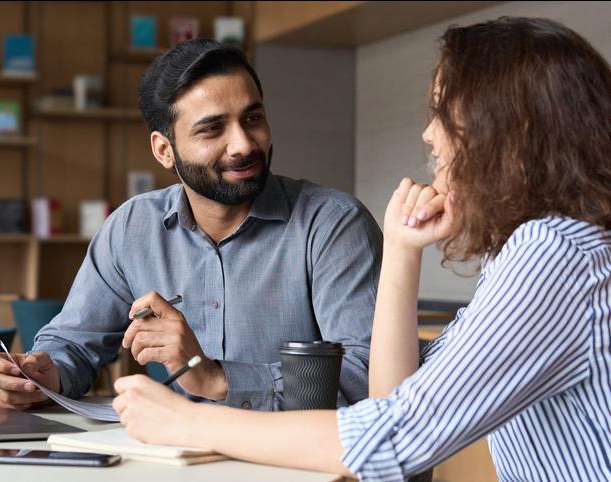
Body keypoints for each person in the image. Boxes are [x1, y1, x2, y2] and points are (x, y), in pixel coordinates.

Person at [111, 17, 611, 481]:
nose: (428, 134)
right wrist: (400, 249)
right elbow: (394, 401)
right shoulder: (537, 249)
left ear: (506, 128)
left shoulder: (556, 253)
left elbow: (391, 438)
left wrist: (188, 423)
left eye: (442, 112)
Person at [0, 39, 382, 412]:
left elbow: (371, 376)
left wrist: (218, 379)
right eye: (212, 129)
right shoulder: (132, 228)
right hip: (181, 457)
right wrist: (43, 372)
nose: (244, 144)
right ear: (164, 150)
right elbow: (74, 340)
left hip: (305, 461)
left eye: (253, 118)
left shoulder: (333, 224)